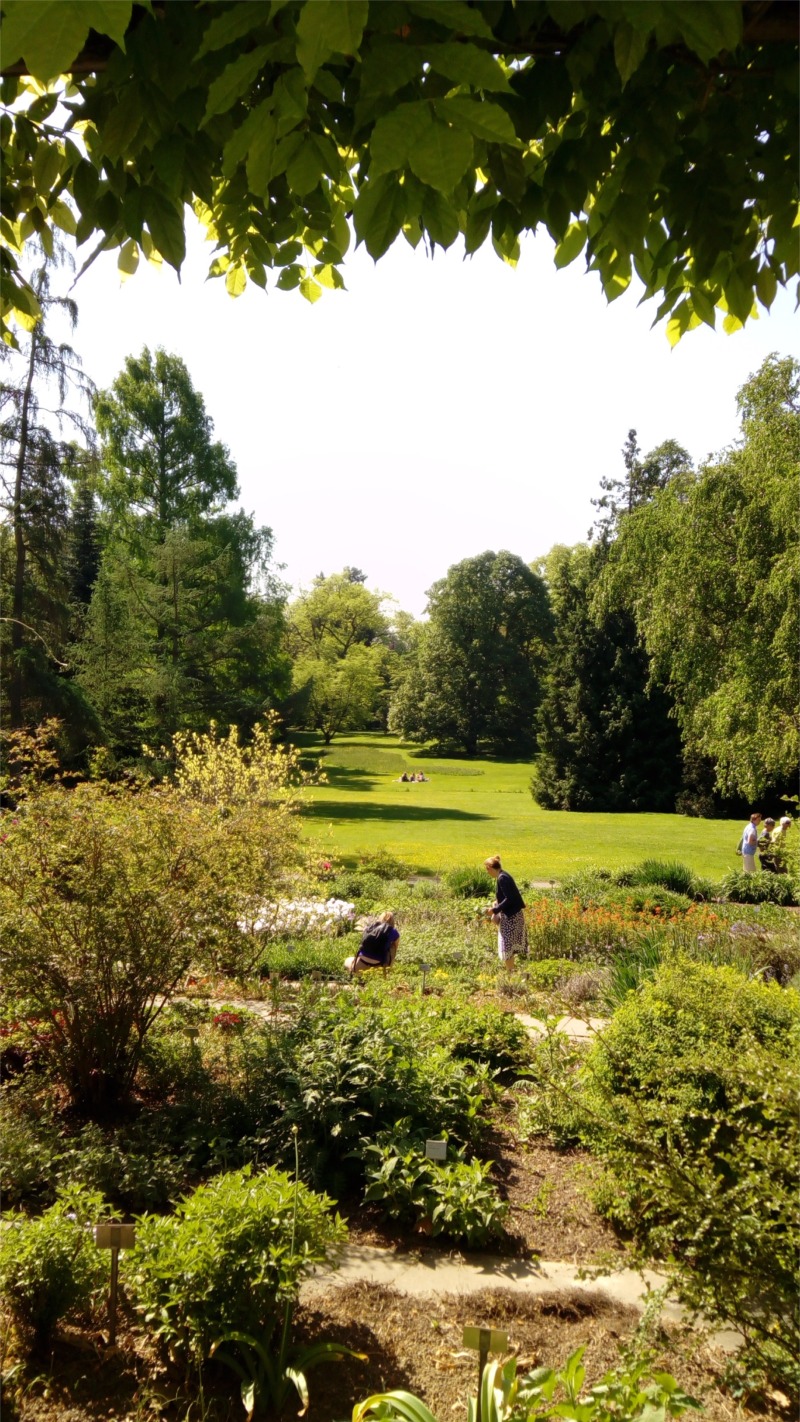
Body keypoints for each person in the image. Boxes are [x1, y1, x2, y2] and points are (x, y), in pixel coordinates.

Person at [484, 855, 527, 967]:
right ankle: (511, 972)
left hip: (511, 917)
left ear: (490, 868)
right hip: (514, 915)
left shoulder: (502, 878)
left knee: (507, 946)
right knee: (509, 947)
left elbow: (509, 898)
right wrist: (496, 902)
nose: (487, 873)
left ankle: (510, 974)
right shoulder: (503, 875)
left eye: (487, 870)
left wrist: (494, 910)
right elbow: (507, 896)